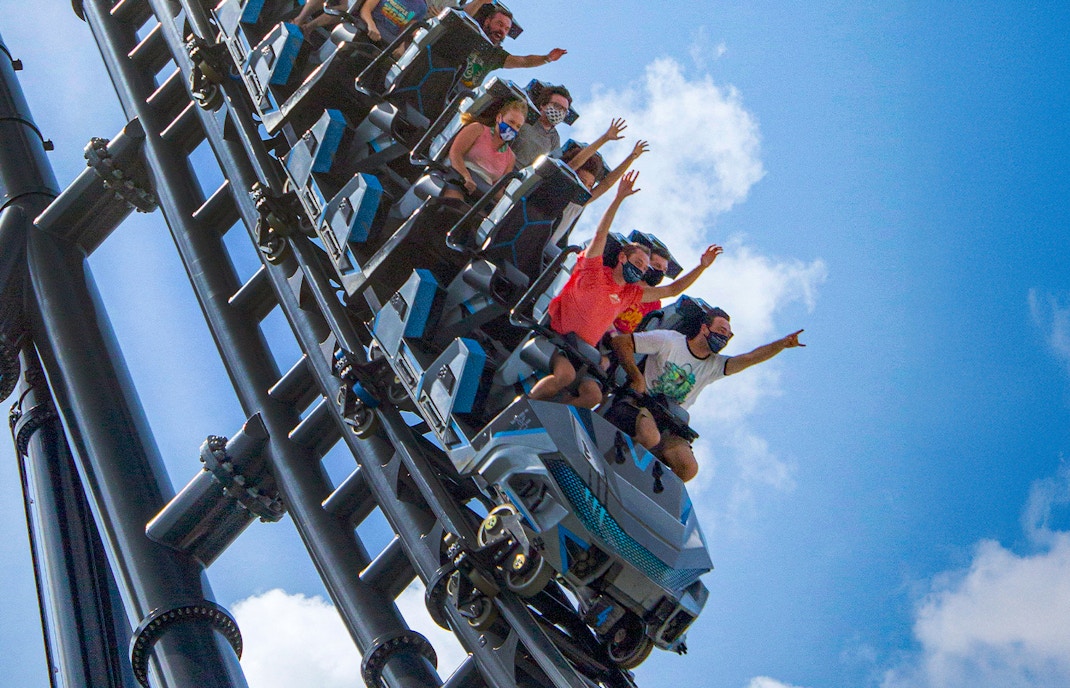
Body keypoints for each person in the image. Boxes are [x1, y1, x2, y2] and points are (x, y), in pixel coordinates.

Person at [528, 171, 723, 408]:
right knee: (565, 376)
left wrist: (700, 267)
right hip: (558, 338)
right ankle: (524, 409)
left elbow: (672, 290)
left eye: (645, 268)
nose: (641, 270)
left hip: (584, 354)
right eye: (639, 263)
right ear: (622, 257)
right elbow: (601, 234)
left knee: (593, 397)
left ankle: (547, 415)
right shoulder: (594, 270)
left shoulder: (629, 294)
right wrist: (618, 198)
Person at [609, 306, 805, 482]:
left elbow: (750, 357)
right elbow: (621, 342)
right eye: (721, 330)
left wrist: (782, 344)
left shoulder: (715, 365)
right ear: (704, 328)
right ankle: (609, 468)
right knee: (650, 436)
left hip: (669, 423)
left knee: (688, 468)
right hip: (639, 405)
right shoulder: (670, 340)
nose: (724, 337)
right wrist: (637, 377)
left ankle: (643, 492)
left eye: (728, 335)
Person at [458, 4, 567, 90]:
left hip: (459, 96)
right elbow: (461, 17)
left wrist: (547, 58)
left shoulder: (496, 55)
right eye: (499, 24)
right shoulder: (470, 31)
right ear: (487, 21)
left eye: (506, 29)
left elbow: (525, 61)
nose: (502, 31)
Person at [442, 98, 528, 200]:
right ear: (499, 118)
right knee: (455, 202)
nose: (513, 128)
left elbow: (498, 188)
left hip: (480, 194)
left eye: (517, 126)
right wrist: (466, 177)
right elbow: (455, 153)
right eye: (511, 122)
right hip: (456, 178)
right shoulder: (477, 129)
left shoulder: (510, 157)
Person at [611, 245, 672, 334]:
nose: (660, 272)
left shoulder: (655, 303)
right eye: (657, 266)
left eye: (664, 270)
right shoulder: (624, 280)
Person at [511, 84, 571, 169]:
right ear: (543, 104)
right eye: (557, 106)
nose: (560, 112)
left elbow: (552, 164)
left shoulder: (555, 138)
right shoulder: (525, 117)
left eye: (564, 110)